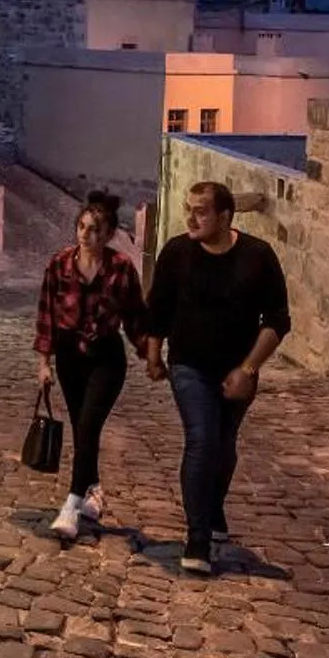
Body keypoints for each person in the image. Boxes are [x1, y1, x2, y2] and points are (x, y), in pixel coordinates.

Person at [144, 180, 291, 576]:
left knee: (224, 446)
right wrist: (154, 354)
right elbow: (158, 307)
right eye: (188, 209)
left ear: (225, 217)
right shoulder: (177, 252)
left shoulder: (257, 257)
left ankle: (212, 508)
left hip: (237, 369)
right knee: (202, 439)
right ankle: (198, 536)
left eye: (201, 211)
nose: (191, 217)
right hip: (189, 364)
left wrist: (248, 369)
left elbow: (277, 320)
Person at [32, 191, 143, 546]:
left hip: (106, 356)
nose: (86, 235)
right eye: (82, 227)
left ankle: (72, 503)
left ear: (109, 233)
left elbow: (135, 315)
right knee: (83, 428)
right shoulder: (60, 264)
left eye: (95, 230)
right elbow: (46, 313)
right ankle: (94, 491)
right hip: (68, 356)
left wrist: (150, 354)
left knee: (89, 424)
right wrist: (43, 362)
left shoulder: (121, 267)